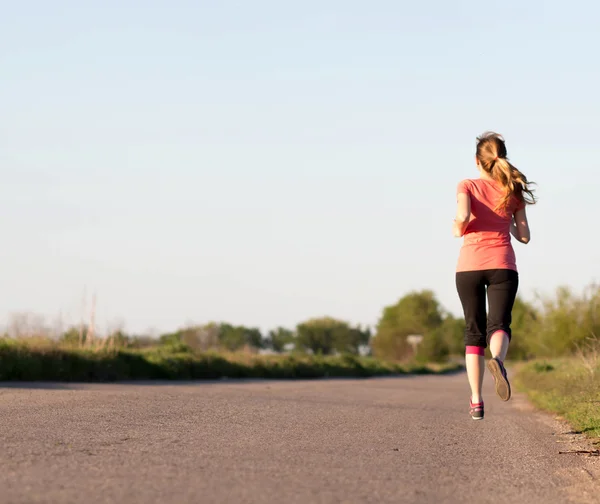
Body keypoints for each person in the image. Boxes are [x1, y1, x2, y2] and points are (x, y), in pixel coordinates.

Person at [452, 131, 537, 420]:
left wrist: (456, 228)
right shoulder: (512, 191)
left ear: (478, 160)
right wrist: (507, 221)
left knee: (472, 332)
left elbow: (462, 218)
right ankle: (498, 361)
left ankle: (476, 401)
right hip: (502, 264)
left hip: (469, 266)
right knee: (499, 325)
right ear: (502, 157)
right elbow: (524, 236)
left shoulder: (467, 185)